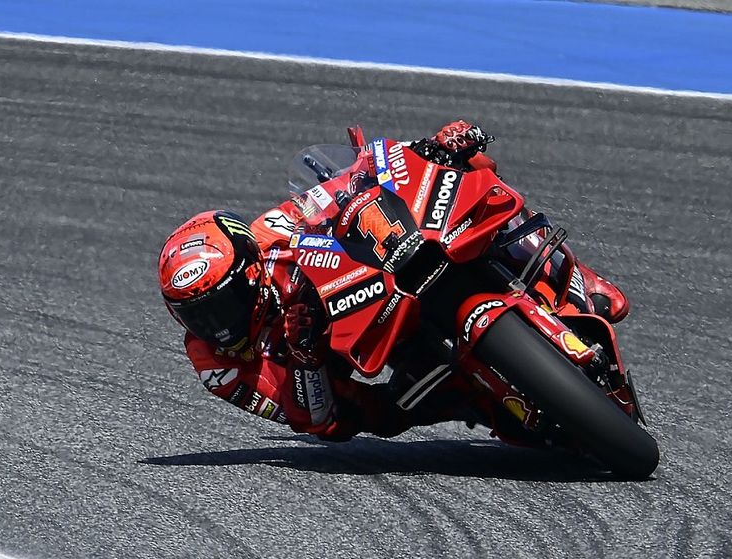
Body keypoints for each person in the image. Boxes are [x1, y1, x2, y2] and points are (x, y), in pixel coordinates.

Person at [157, 121, 631, 441]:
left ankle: (574, 277)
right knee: (379, 414)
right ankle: (484, 400)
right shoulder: (213, 364)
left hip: (375, 281)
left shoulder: (269, 235)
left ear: (249, 267)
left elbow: (339, 190)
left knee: (478, 185)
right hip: (349, 361)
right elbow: (316, 420)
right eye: (196, 315)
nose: (216, 324)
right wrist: (303, 352)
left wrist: (430, 150)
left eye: (222, 303)